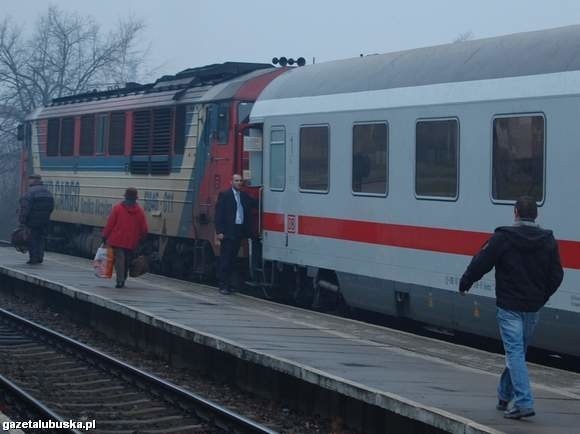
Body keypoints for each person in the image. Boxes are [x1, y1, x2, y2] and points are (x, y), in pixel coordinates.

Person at [459, 196, 563, 420]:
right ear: (537, 215)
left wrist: (465, 282)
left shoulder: (503, 238)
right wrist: (542, 297)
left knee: (515, 352)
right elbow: (557, 275)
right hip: (532, 308)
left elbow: (481, 262)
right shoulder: (548, 240)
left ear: (515, 213)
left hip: (509, 308)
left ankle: (524, 402)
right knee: (517, 352)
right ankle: (504, 396)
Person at [214, 174, 258, 294]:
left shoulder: (244, 196)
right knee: (226, 259)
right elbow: (219, 215)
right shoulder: (225, 195)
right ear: (231, 182)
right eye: (236, 181)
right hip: (228, 232)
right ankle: (223, 285)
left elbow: (254, 203)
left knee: (233, 259)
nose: (239, 183)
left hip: (239, 231)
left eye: (240, 181)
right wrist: (219, 232)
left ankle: (229, 285)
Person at [102, 188, 148, 288]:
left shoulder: (117, 208)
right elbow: (144, 228)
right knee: (126, 261)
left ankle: (120, 281)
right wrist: (143, 238)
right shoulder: (139, 211)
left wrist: (105, 236)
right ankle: (123, 279)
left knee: (119, 261)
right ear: (135, 198)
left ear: (125, 197)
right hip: (132, 242)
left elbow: (110, 224)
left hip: (117, 240)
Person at [18, 174, 55, 264]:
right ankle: (40, 257)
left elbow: (25, 208)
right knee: (41, 239)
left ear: (33, 181)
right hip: (44, 221)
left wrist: (22, 220)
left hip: (32, 221)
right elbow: (51, 207)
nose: (29, 181)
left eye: (30, 179)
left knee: (32, 239)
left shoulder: (30, 192)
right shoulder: (47, 192)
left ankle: (33, 258)